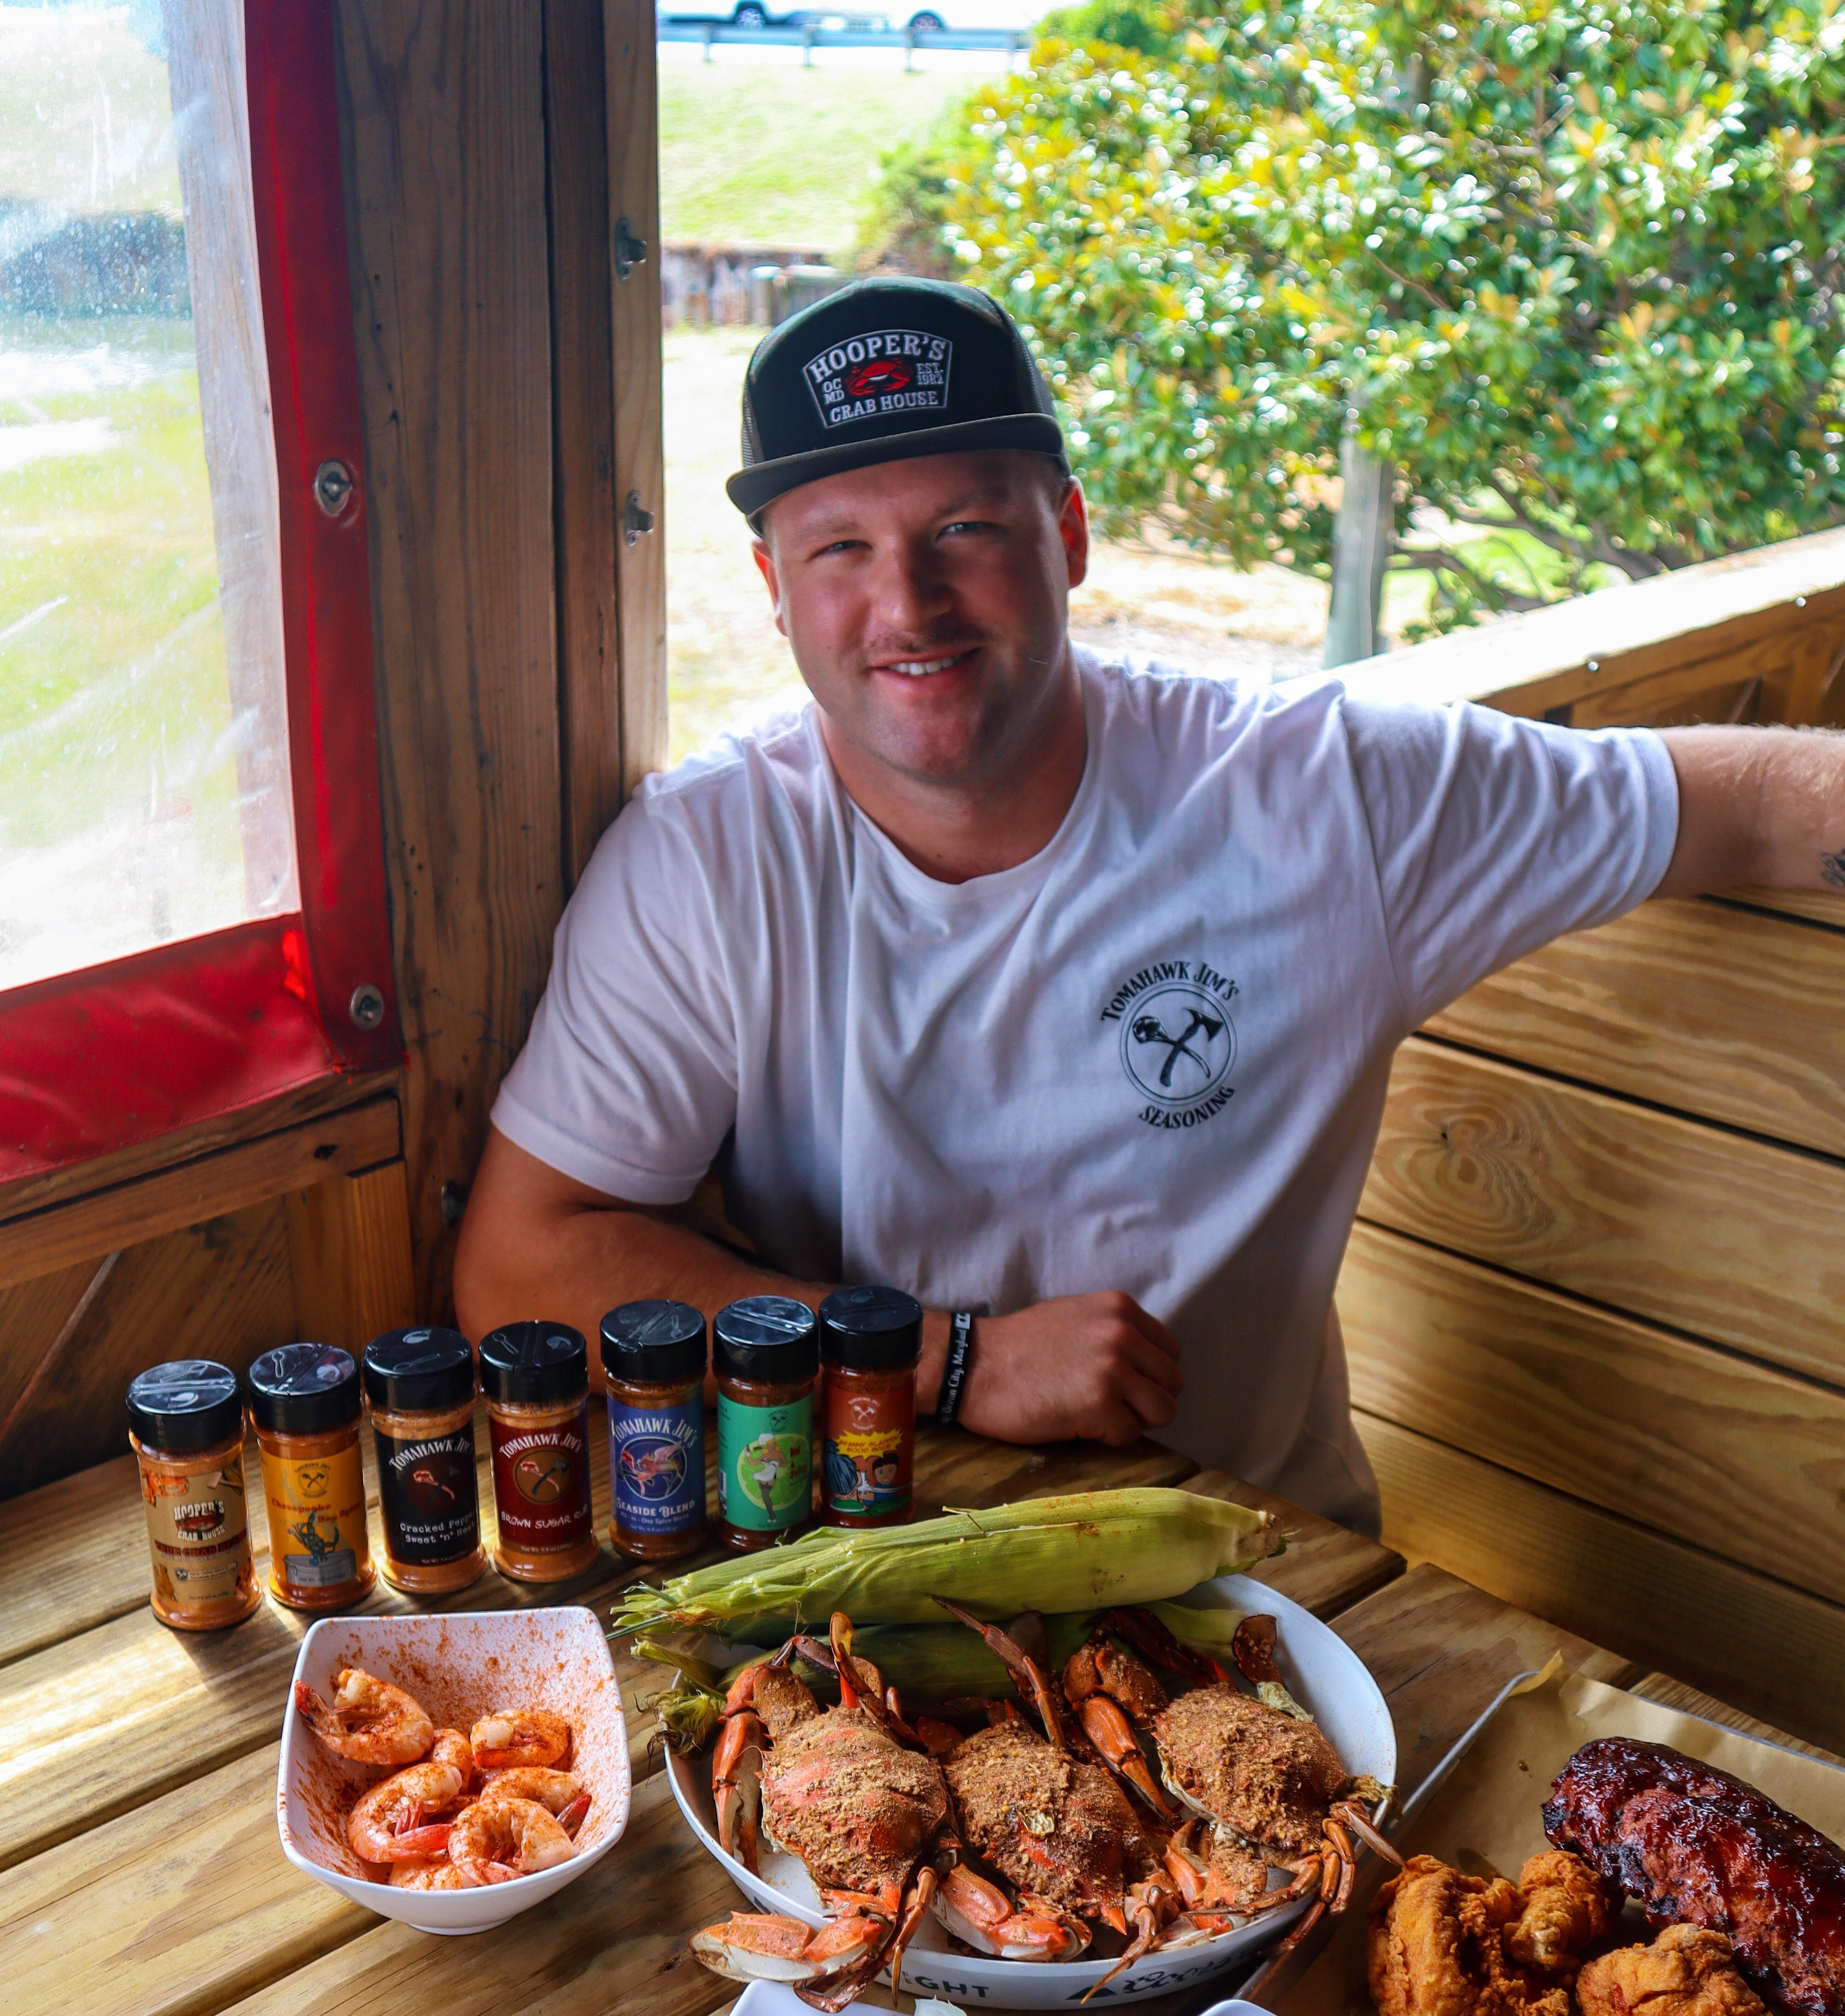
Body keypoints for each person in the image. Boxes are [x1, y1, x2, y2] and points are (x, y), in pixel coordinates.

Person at [455, 277, 1845, 1531]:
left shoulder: (1319, 795)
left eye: (963, 528)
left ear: (1065, 535)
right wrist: (953, 1362)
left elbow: (1763, 802)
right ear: (772, 587)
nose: (909, 604)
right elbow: (520, 1264)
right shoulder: (707, 860)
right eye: (841, 551)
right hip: (867, 1571)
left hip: (1268, 1565)